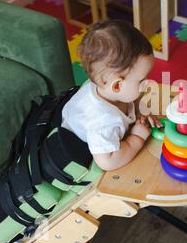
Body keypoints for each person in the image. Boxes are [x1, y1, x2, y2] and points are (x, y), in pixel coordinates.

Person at [62, 20, 159, 171]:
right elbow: (108, 162)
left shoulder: (107, 87)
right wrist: (137, 138)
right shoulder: (103, 122)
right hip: (81, 147)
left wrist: (141, 110)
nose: (147, 83)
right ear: (117, 86)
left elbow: (131, 96)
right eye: (142, 80)